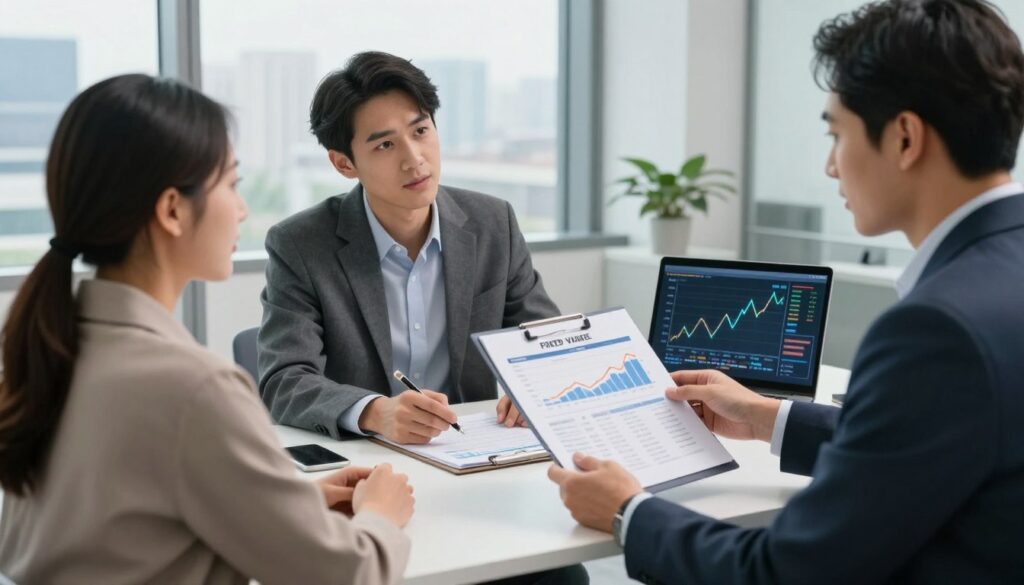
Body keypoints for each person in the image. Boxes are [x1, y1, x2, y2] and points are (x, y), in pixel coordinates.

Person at [548, 1, 1024, 583]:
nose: (830, 167)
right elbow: (934, 447)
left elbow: (789, 571)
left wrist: (629, 511)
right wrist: (768, 417)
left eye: (836, 134)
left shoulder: (937, 328)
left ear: (904, 138)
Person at [0, 74, 415, 585]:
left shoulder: (55, 347)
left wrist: (289, 503)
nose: (241, 209)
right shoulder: (194, 389)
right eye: (232, 184)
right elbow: (352, 574)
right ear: (173, 210)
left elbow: (121, 525)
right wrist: (380, 515)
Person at [258, 51, 559, 444]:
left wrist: (535, 385)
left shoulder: (492, 223)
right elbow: (284, 379)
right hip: (368, 460)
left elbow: (546, 339)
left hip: (473, 447)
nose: (414, 159)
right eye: (385, 145)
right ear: (344, 164)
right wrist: (374, 411)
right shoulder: (301, 245)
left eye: (420, 132)